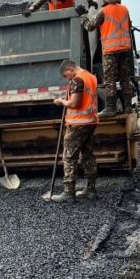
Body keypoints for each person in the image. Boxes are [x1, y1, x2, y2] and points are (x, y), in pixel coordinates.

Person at [77, 0, 135, 117]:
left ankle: (110, 108)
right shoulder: (125, 9)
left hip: (110, 50)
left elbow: (90, 26)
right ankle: (128, 107)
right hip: (125, 49)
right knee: (125, 78)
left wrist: (83, 15)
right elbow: (129, 25)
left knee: (110, 80)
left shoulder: (104, 11)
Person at [51, 59, 99, 203]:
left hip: (78, 123)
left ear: (69, 70)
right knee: (88, 155)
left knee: (70, 157)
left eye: (67, 76)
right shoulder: (91, 77)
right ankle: (90, 189)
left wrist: (61, 101)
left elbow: (74, 103)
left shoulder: (77, 80)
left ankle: (68, 193)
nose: (68, 79)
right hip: (91, 121)